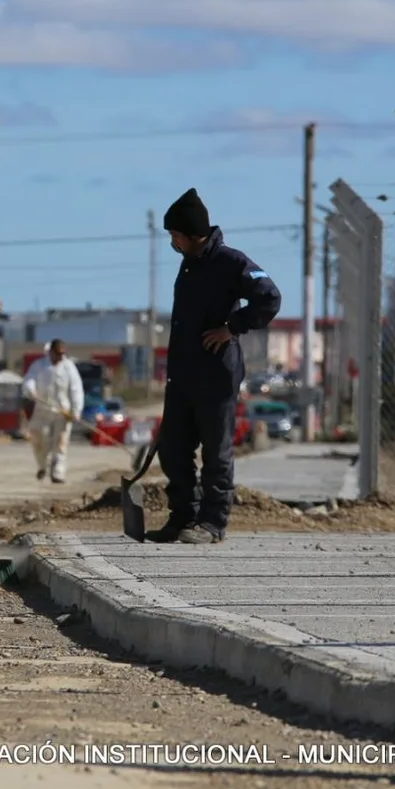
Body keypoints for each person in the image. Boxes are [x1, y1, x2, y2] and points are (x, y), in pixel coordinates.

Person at [147, 188, 282, 545]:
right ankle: (182, 517)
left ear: (192, 234)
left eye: (175, 235)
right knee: (173, 448)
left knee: (216, 451)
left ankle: (212, 522)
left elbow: (269, 297)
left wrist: (232, 328)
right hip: (183, 374)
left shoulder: (231, 262)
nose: (172, 242)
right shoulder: (189, 263)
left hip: (216, 374)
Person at [21, 339, 84, 483]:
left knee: (60, 443)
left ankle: (58, 473)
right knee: (38, 438)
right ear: (51, 352)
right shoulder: (39, 365)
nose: (60, 357)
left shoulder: (69, 367)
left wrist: (76, 410)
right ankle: (43, 466)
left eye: (62, 354)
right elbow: (29, 379)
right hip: (43, 409)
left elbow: (76, 390)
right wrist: (31, 390)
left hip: (62, 412)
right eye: (57, 353)